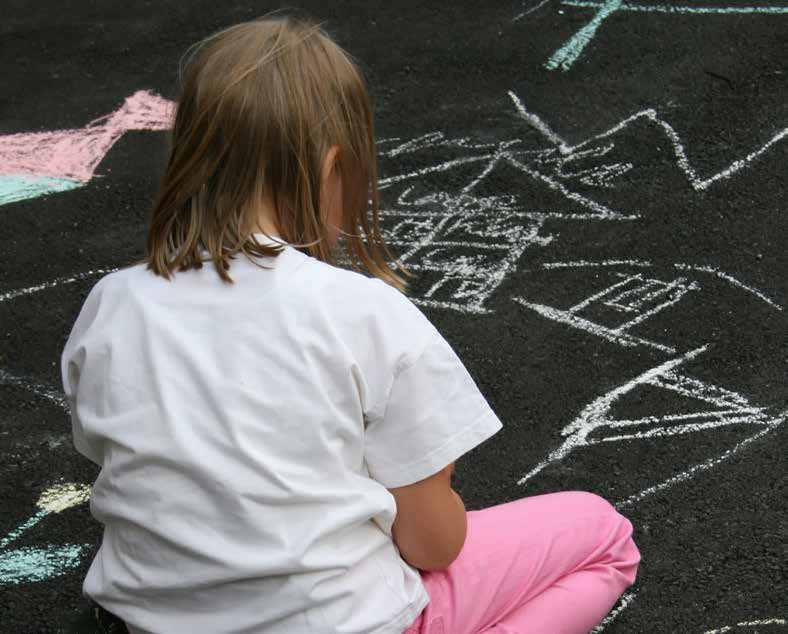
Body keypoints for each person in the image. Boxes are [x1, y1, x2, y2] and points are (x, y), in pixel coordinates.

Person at [60, 13, 640, 634]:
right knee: (604, 534)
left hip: (154, 622)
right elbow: (433, 546)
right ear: (333, 165)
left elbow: (116, 452)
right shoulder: (360, 310)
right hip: (337, 623)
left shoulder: (111, 303)